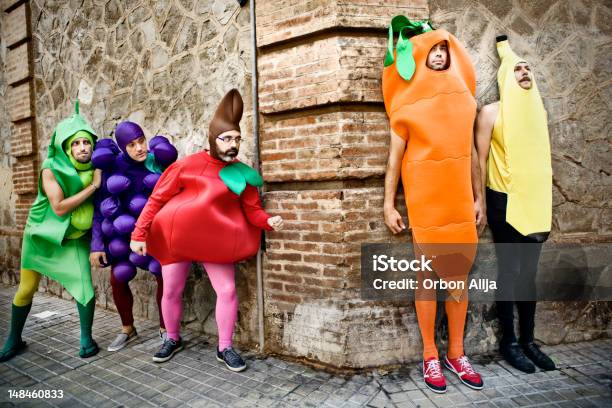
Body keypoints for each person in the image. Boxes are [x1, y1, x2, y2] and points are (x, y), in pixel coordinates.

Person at [130, 89, 284, 371]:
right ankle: (172, 338)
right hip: (178, 238)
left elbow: (252, 210)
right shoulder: (186, 166)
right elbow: (157, 199)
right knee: (172, 290)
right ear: (213, 138)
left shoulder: (243, 172)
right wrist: (138, 234)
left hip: (215, 241)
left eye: (237, 139)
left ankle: (225, 347)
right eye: (227, 139)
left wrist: (267, 221)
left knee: (227, 290)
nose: (233, 145)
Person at [382, 16, 485, 393]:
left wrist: (480, 199)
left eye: (445, 50)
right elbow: (394, 160)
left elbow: (473, 154)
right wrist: (388, 206)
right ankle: (429, 355)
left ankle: (457, 354)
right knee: (427, 277)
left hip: (458, 199)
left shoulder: (464, 101)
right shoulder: (404, 107)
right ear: (421, 54)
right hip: (425, 201)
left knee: (458, 276)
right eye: (433, 50)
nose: (440, 55)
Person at [475, 35, 555, 373]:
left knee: (530, 275)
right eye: (517, 68)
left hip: (536, 201)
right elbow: (478, 160)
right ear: (506, 76)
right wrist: (479, 199)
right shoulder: (492, 112)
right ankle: (509, 342)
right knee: (510, 272)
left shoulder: (537, 110)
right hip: (504, 201)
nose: (524, 72)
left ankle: (528, 341)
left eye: (528, 68)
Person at [0, 102, 101, 361]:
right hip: (41, 236)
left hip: (74, 238)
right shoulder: (51, 168)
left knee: (85, 288)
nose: (82, 148)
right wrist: (93, 187)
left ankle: (86, 340)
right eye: (76, 143)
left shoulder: (99, 167)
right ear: (67, 147)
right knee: (26, 288)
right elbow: (58, 207)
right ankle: (14, 339)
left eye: (86, 142)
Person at [90, 121, 177, 352]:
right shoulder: (112, 167)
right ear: (122, 146)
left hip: (152, 233)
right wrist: (96, 245)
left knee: (163, 276)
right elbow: (99, 210)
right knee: (118, 278)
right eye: (131, 145)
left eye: (141, 141)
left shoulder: (156, 162)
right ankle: (127, 328)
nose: (139, 148)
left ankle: (165, 329)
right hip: (121, 235)